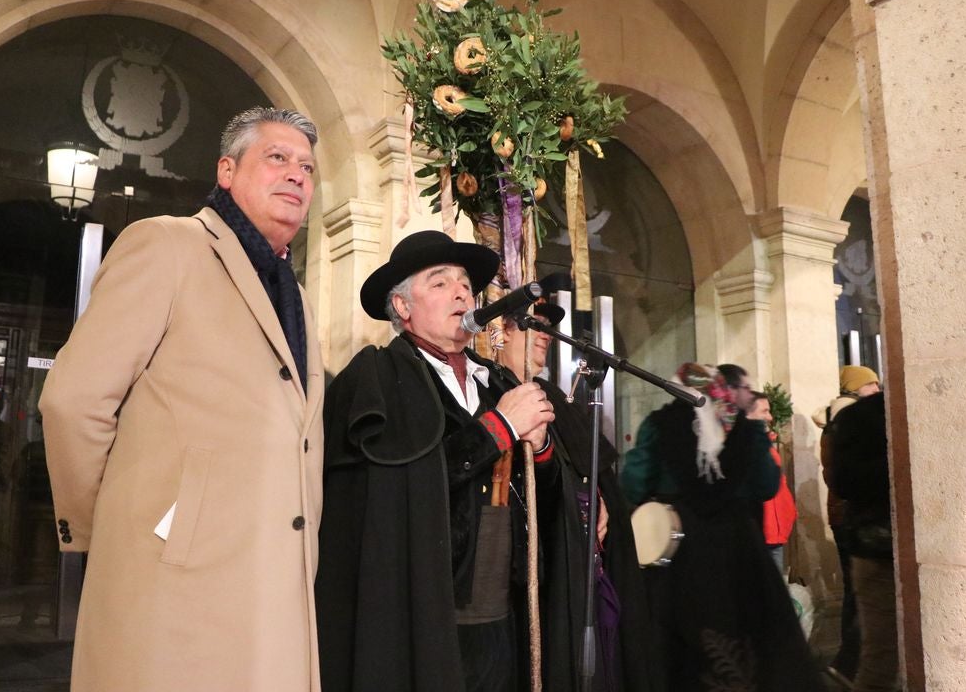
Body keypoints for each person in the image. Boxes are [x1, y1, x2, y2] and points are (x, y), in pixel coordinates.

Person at [39, 107, 325, 691]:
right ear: (226, 170)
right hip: (176, 582)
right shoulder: (167, 245)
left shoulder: (294, 291)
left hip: (273, 579)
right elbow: (73, 401)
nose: (297, 175)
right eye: (277, 158)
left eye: (308, 167)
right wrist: (129, 528)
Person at [316, 230, 558, 692]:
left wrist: (541, 450)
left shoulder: (498, 383)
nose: (462, 291)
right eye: (440, 282)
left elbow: (542, 501)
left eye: (466, 283)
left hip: (505, 617)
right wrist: (498, 430)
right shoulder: (377, 379)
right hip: (422, 615)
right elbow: (397, 491)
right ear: (403, 307)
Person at [620, 363, 824, 691]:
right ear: (722, 391)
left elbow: (633, 484)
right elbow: (766, 485)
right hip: (740, 553)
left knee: (680, 650)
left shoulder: (659, 425)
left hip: (681, 556)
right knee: (750, 643)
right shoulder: (744, 429)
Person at [495, 304, 654, 692]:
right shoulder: (489, 390)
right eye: (531, 324)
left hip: (583, 559)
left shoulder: (552, 396)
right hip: (531, 566)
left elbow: (588, 468)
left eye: (548, 327)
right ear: (501, 331)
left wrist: (600, 500)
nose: (546, 334)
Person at [816, 365, 881, 688]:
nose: (877, 388)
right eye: (871, 384)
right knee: (859, 597)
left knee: (858, 596)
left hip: (853, 520)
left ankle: (849, 660)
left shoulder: (843, 420)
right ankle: (848, 660)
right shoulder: (851, 421)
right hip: (856, 522)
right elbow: (840, 477)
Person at [828, 391, 897, 692]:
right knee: (882, 653)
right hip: (876, 548)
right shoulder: (859, 416)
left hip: (880, 544)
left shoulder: (856, 416)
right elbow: (844, 480)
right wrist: (900, 459)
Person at [749, 391, 796, 576]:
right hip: (761, 532)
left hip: (775, 530)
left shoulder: (765, 443)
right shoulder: (745, 446)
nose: (770, 417)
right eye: (764, 411)